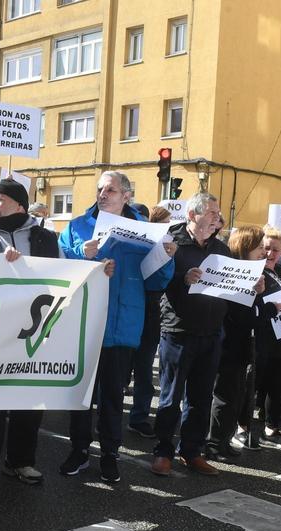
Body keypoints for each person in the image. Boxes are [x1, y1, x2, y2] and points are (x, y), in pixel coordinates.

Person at [58, 171, 169, 483]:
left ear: (126, 196)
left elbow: (157, 280)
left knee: (113, 397)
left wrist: (167, 258)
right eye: (100, 189)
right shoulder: (78, 226)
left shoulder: (144, 231)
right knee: (80, 396)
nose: (103, 194)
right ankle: (79, 450)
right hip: (84, 324)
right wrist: (84, 255)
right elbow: (59, 264)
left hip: (122, 324)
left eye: (111, 190)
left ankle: (109, 454)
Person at [0, 178, 58, 488]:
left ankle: (21, 461)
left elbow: (58, 276)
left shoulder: (45, 237)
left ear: (20, 205)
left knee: (29, 396)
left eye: (0, 199)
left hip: (33, 328)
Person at [149, 194, 227, 476]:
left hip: (212, 331)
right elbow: (155, 277)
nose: (217, 218)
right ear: (193, 215)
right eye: (211, 212)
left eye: (218, 213)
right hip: (178, 330)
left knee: (201, 396)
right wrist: (182, 277)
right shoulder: (172, 241)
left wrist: (250, 286)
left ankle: (192, 451)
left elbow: (231, 284)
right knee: (171, 396)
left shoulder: (221, 248)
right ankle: (163, 451)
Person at [206, 225, 269, 457]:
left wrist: (258, 296)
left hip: (243, 344)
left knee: (237, 394)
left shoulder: (256, 273)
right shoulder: (232, 272)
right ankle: (214, 443)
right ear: (246, 247)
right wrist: (254, 295)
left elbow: (255, 314)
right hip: (227, 345)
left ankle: (223, 439)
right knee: (224, 395)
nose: (264, 252)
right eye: (260, 247)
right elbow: (237, 314)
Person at [126, 206, 171, 439]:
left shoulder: (158, 243)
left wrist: (166, 257)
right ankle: (106, 414)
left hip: (149, 311)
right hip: (124, 309)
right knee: (117, 368)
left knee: (144, 369)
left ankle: (139, 417)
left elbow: (161, 281)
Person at [254, 227, 281, 449]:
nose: (270, 253)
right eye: (266, 248)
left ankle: (272, 427)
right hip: (261, 337)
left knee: (279, 385)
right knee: (256, 384)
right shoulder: (254, 270)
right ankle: (245, 428)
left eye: (275, 249)